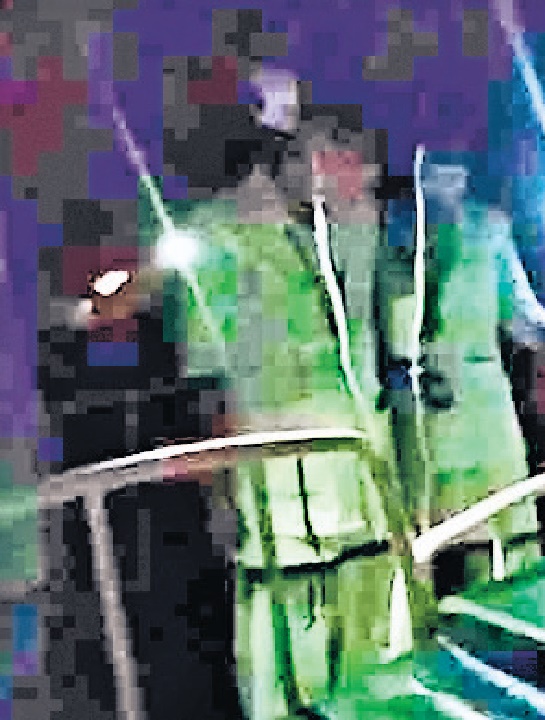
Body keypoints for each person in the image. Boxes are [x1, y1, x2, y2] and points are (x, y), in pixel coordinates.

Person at [97, 68, 421, 718]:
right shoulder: (223, 236)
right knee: (287, 692)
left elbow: (390, 354)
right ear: (288, 150)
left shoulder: (359, 223)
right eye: (334, 145)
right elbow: (208, 383)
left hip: (373, 500)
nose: (356, 164)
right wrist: (220, 499)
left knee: (385, 688)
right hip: (284, 523)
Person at [380, 153, 545, 591]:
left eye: (455, 167)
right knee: (422, 550)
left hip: (483, 413)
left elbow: (524, 318)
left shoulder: (488, 229)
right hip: (415, 419)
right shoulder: (382, 225)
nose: (448, 178)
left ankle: (513, 629)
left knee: (505, 543)